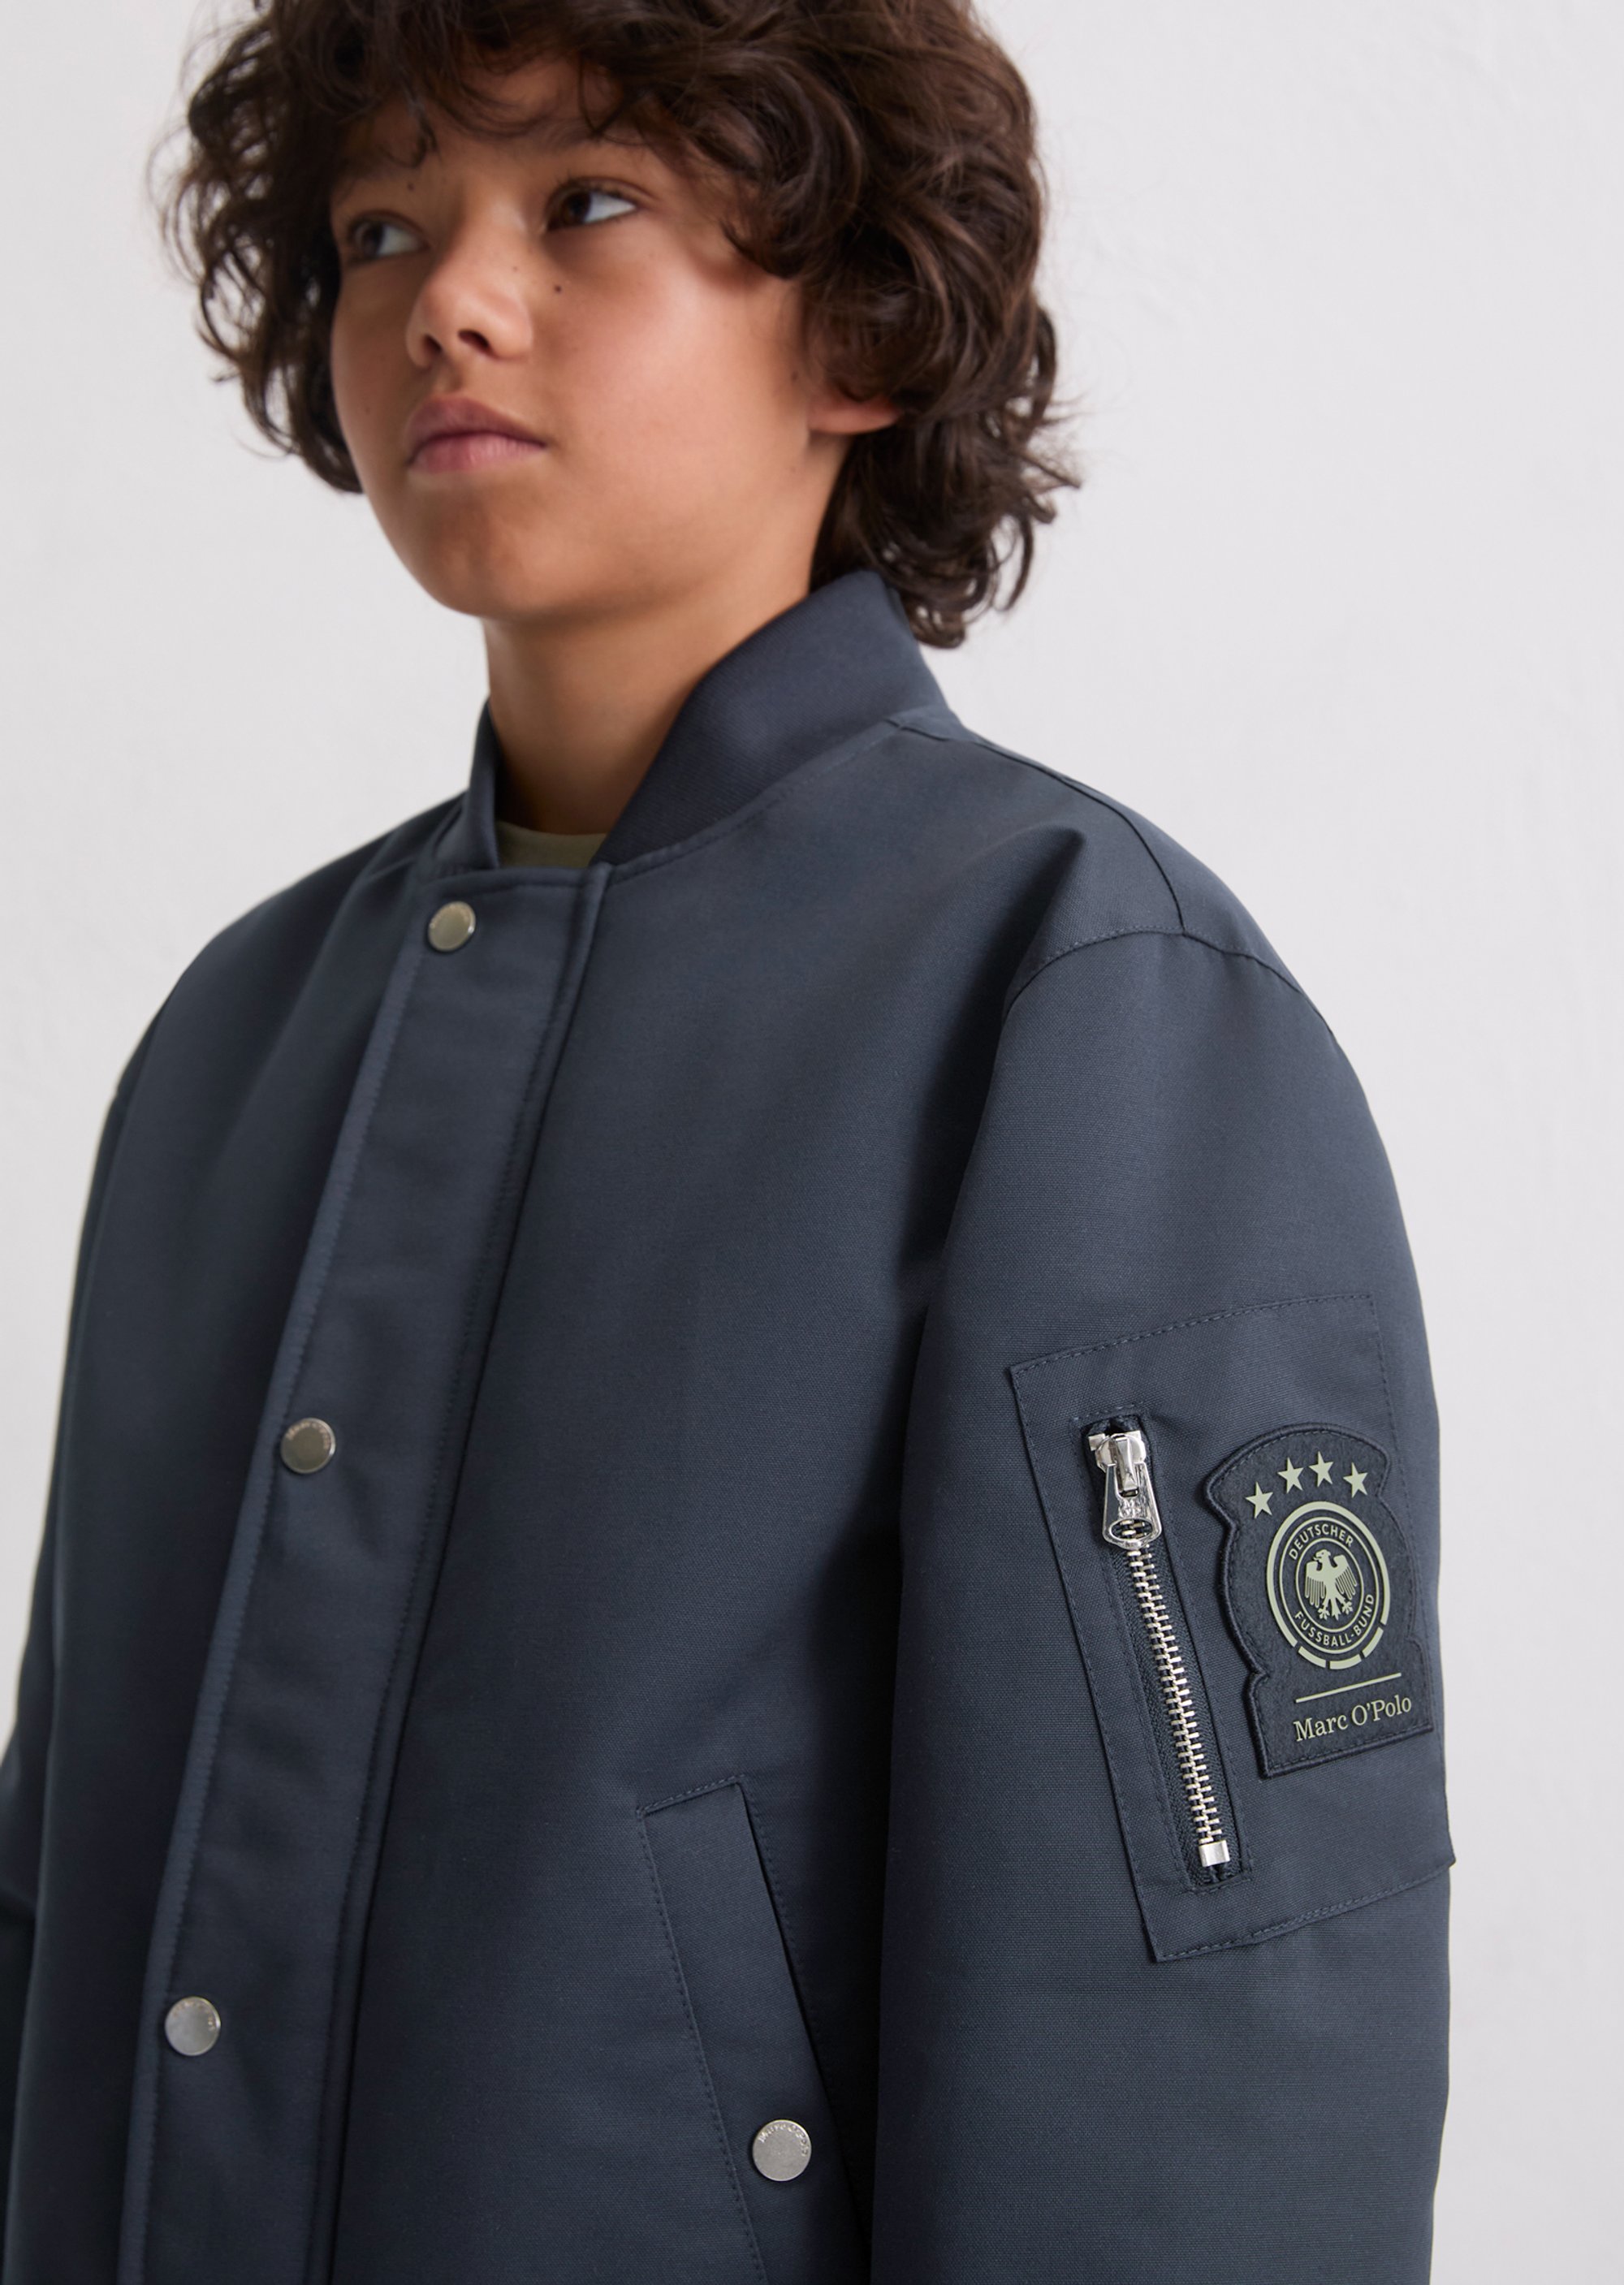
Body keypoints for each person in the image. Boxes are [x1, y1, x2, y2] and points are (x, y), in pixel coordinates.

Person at [0, 2, 1453, 2279]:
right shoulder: (237, 1040)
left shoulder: (1078, 1000)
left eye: (587, 204)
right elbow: (64, 1901)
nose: (449, 302)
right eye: (380, 230)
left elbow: (1204, 2058)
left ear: (857, 325)